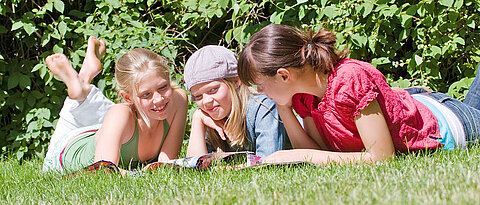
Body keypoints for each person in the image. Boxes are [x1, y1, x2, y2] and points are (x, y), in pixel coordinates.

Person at [237, 24, 480, 165]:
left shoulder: (349, 79)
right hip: (416, 104)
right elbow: (324, 153)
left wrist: (304, 155)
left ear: (284, 75)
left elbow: (382, 156)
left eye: (260, 83)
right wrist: (283, 108)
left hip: (450, 123)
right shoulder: (303, 96)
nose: (259, 91)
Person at [42, 37, 188, 173]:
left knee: (115, 117)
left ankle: (84, 81)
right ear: (126, 97)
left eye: (163, 87)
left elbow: (166, 164)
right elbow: (104, 171)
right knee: (115, 114)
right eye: (146, 94)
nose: (158, 99)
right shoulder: (121, 113)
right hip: (66, 151)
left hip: (109, 130)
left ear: (168, 78)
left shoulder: (178, 100)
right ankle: (82, 85)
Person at [184, 45, 291, 158]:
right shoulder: (210, 115)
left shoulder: (263, 107)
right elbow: (196, 165)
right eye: (198, 96)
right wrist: (198, 119)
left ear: (236, 81)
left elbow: (269, 161)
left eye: (213, 90)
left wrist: (228, 169)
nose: (206, 101)